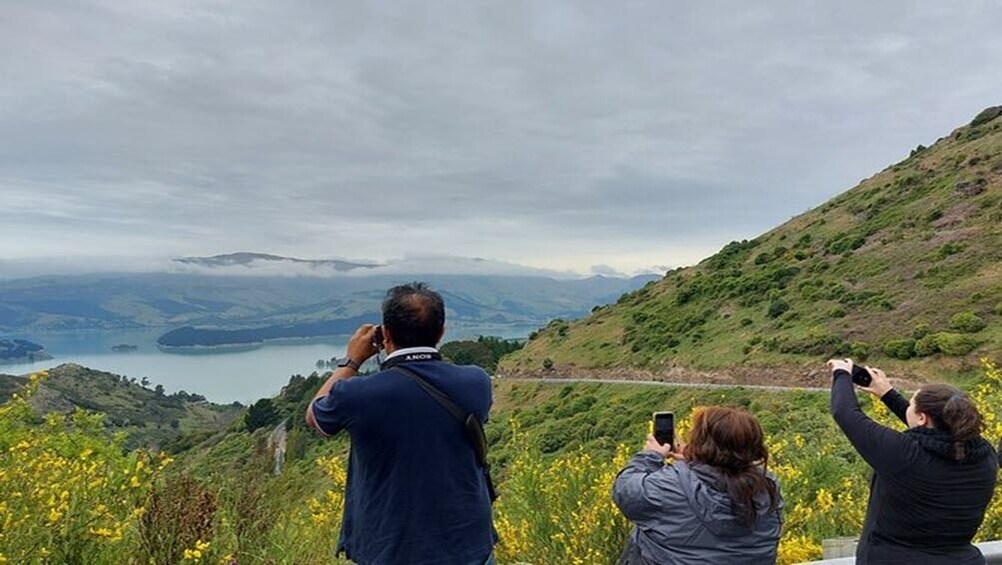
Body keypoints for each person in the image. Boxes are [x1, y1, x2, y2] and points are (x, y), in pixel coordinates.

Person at [306, 283, 495, 565]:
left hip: (392, 549)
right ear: (441, 332)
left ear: (386, 334)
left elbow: (315, 415)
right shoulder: (477, 382)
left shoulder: (359, 394)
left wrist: (352, 361)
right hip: (468, 546)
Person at [827, 358, 999, 564]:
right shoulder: (984, 455)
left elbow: (845, 412)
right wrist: (887, 394)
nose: (908, 407)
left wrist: (841, 373)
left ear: (922, 418)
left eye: (912, 403)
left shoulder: (905, 455)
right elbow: (936, 433)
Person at [612, 406, 783, 564]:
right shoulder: (768, 487)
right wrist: (697, 460)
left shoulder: (671, 486)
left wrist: (650, 457)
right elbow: (726, 474)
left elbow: (625, 490)